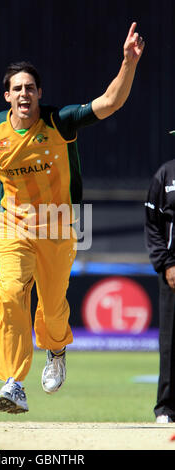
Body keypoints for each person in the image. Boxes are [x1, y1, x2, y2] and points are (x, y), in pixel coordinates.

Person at [0, 22, 144, 414]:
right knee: (11, 293)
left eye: (30, 88)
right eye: (17, 88)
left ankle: (56, 349)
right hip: (11, 225)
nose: (24, 93)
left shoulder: (59, 122)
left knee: (52, 307)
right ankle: (13, 382)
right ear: (7, 95)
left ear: (40, 95)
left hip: (58, 224)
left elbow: (110, 102)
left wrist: (128, 63)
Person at [145, 130, 175, 424]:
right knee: (170, 341)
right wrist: (166, 264)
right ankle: (166, 408)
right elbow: (152, 225)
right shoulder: (166, 174)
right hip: (174, 270)